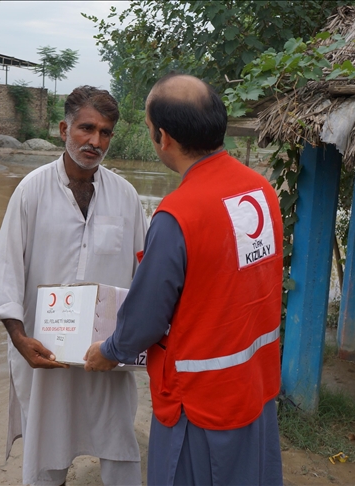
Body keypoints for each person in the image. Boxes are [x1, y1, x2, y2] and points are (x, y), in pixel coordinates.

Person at [84, 74, 284, 485]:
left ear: (164, 137)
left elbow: (147, 318)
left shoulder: (179, 215)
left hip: (199, 403)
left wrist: (109, 350)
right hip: (253, 386)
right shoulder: (259, 191)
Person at [0, 86, 147, 486]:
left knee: (118, 443)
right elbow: (5, 271)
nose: (95, 141)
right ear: (63, 128)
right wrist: (19, 338)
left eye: (105, 132)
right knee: (46, 451)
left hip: (107, 354)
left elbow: (145, 275)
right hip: (46, 353)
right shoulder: (32, 191)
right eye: (86, 128)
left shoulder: (126, 197)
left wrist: (130, 343)